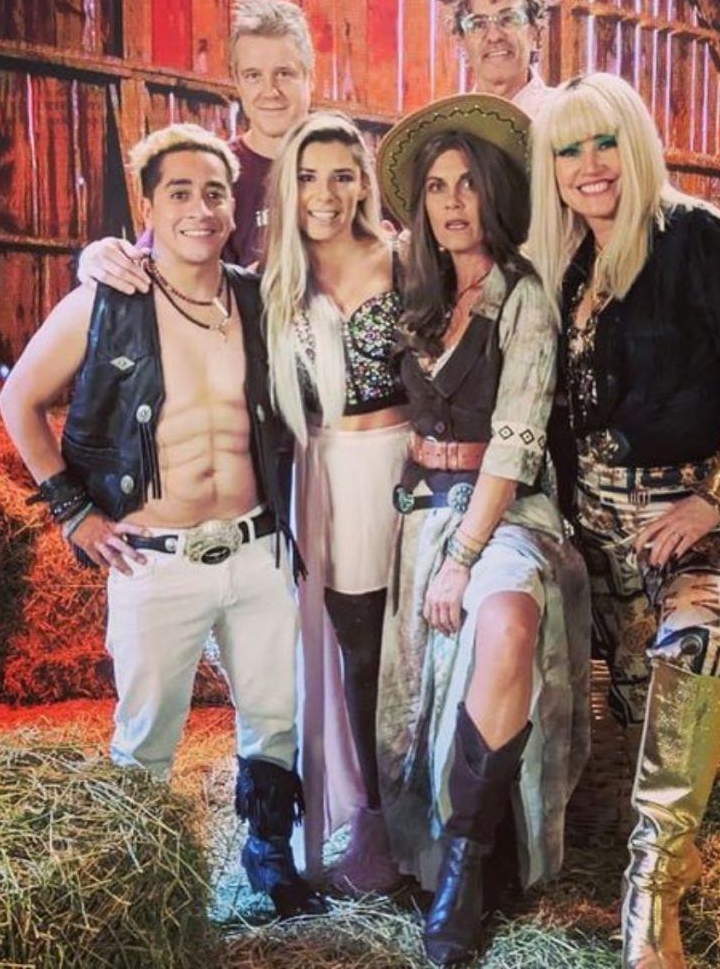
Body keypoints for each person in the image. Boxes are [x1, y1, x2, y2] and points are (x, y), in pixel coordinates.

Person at [0, 123, 325, 920]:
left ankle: (269, 854)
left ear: (233, 206)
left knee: (275, 715)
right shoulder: (103, 302)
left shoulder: (257, 299)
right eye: (179, 193)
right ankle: (137, 880)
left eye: (214, 193)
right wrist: (73, 511)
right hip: (154, 557)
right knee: (147, 732)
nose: (200, 209)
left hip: (255, 549)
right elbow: (19, 400)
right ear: (147, 208)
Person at [527, 72, 720, 968]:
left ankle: (650, 894)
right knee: (649, 706)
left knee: (703, 642)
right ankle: (667, 840)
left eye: (604, 141)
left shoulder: (693, 236)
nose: (589, 164)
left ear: (636, 143)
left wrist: (714, 496)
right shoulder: (570, 261)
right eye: (569, 149)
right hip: (594, 523)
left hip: (688, 508)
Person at [374, 94, 591, 966]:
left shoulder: (523, 295)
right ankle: (440, 850)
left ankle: (466, 870)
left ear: (494, 194)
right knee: (419, 687)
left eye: (468, 183)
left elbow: (517, 439)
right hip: (420, 508)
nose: (453, 201)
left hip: (502, 508)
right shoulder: (413, 290)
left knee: (506, 621)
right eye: (436, 187)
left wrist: (464, 557)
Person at [261, 111, 410, 891]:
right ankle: (376, 821)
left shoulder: (406, 260)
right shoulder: (273, 280)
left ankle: (436, 819)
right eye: (308, 177)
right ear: (288, 186)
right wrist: (99, 258)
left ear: (363, 184)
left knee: (419, 640)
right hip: (328, 473)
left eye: (341, 176)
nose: (324, 193)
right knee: (361, 650)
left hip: (408, 463)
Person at [77, 0, 314, 291]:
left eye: (284, 74)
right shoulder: (212, 174)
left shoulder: (350, 171)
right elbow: (144, 263)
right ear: (238, 82)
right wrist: (97, 259)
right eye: (254, 76)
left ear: (310, 78)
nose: (270, 91)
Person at [451, 0, 552, 119]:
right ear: (461, 43)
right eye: (478, 24)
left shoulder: (566, 117)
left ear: (537, 34)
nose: (494, 36)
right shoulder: (450, 125)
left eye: (508, 19)